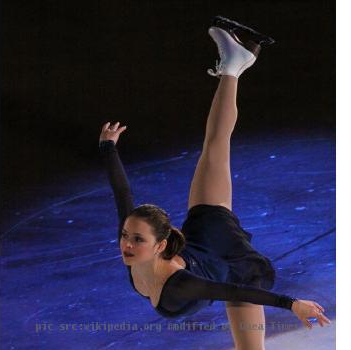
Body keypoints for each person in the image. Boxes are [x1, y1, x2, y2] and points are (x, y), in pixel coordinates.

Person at [99, 16, 331, 350]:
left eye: (136, 239)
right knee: (216, 143)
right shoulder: (138, 247)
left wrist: (292, 303)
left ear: (161, 245)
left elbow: (234, 291)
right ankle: (234, 66)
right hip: (207, 236)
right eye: (126, 236)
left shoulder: (179, 284)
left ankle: (235, 64)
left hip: (238, 270)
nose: (126, 244)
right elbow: (123, 194)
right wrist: (108, 147)